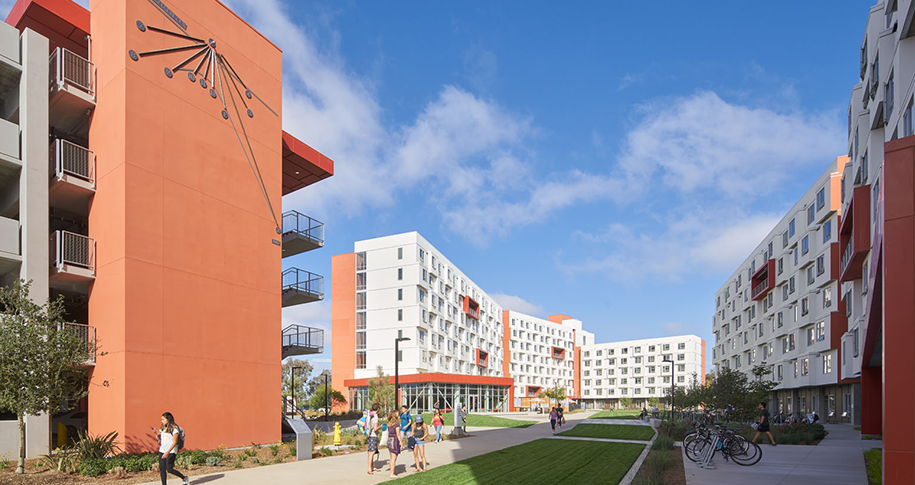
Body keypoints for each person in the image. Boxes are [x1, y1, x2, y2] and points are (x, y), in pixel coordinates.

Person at [155, 412, 188, 485]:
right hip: (162, 450)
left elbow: (174, 442)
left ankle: (184, 478)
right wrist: (156, 434)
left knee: (169, 469)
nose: (162, 421)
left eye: (163, 419)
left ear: (168, 419)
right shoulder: (163, 428)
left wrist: (167, 452)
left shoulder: (174, 429)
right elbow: (160, 439)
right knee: (162, 469)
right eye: (161, 419)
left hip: (171, 451)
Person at [385, 411, 402, 478]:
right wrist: (401, 442)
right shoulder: (396, 424)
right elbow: (398, 435)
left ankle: (391, 472)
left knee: (391, 457)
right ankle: (392, 474)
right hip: (395, 440)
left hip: (390, 440)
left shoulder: (389, 423)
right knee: (394, 458)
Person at [366, 404, 382, 474]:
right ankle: (369, 469)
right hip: (373, 435)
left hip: (369, 434)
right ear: (378, 409)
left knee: (371, 451)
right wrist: (381, 426)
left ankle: (371, 466)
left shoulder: (370, 414)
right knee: (372, 452)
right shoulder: (375, 416)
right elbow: (375, 428)